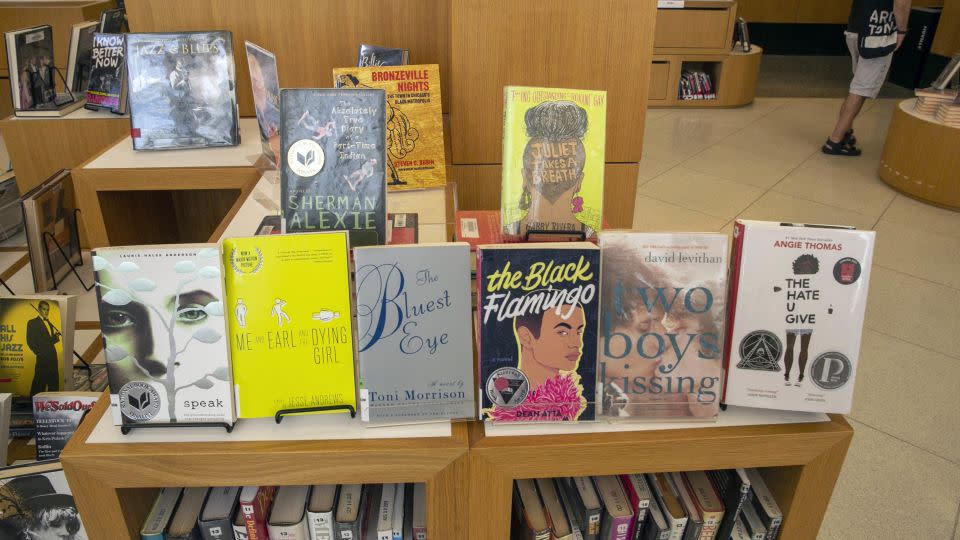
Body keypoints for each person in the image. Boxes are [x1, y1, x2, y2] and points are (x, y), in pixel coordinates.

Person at [824, 0, 911, 156]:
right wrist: (902, 31)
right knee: (860, 89)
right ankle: (835, 141)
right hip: (877, 32)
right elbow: (902, 3)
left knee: (857, 86)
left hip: (856, 27)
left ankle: (845, 131)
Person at [27, 301, 61, 395]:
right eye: (44, 309)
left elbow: (48, 341)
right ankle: (33, 404)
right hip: (42, 357)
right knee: (39, 382)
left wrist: (55, 337)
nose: (46, 312)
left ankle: (53, 403)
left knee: (53, 382)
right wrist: (39, 352)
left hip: (53, 357)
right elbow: (30, 340)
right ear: (39, 309)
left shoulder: (49, 323)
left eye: (47, 310)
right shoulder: (32, 322)